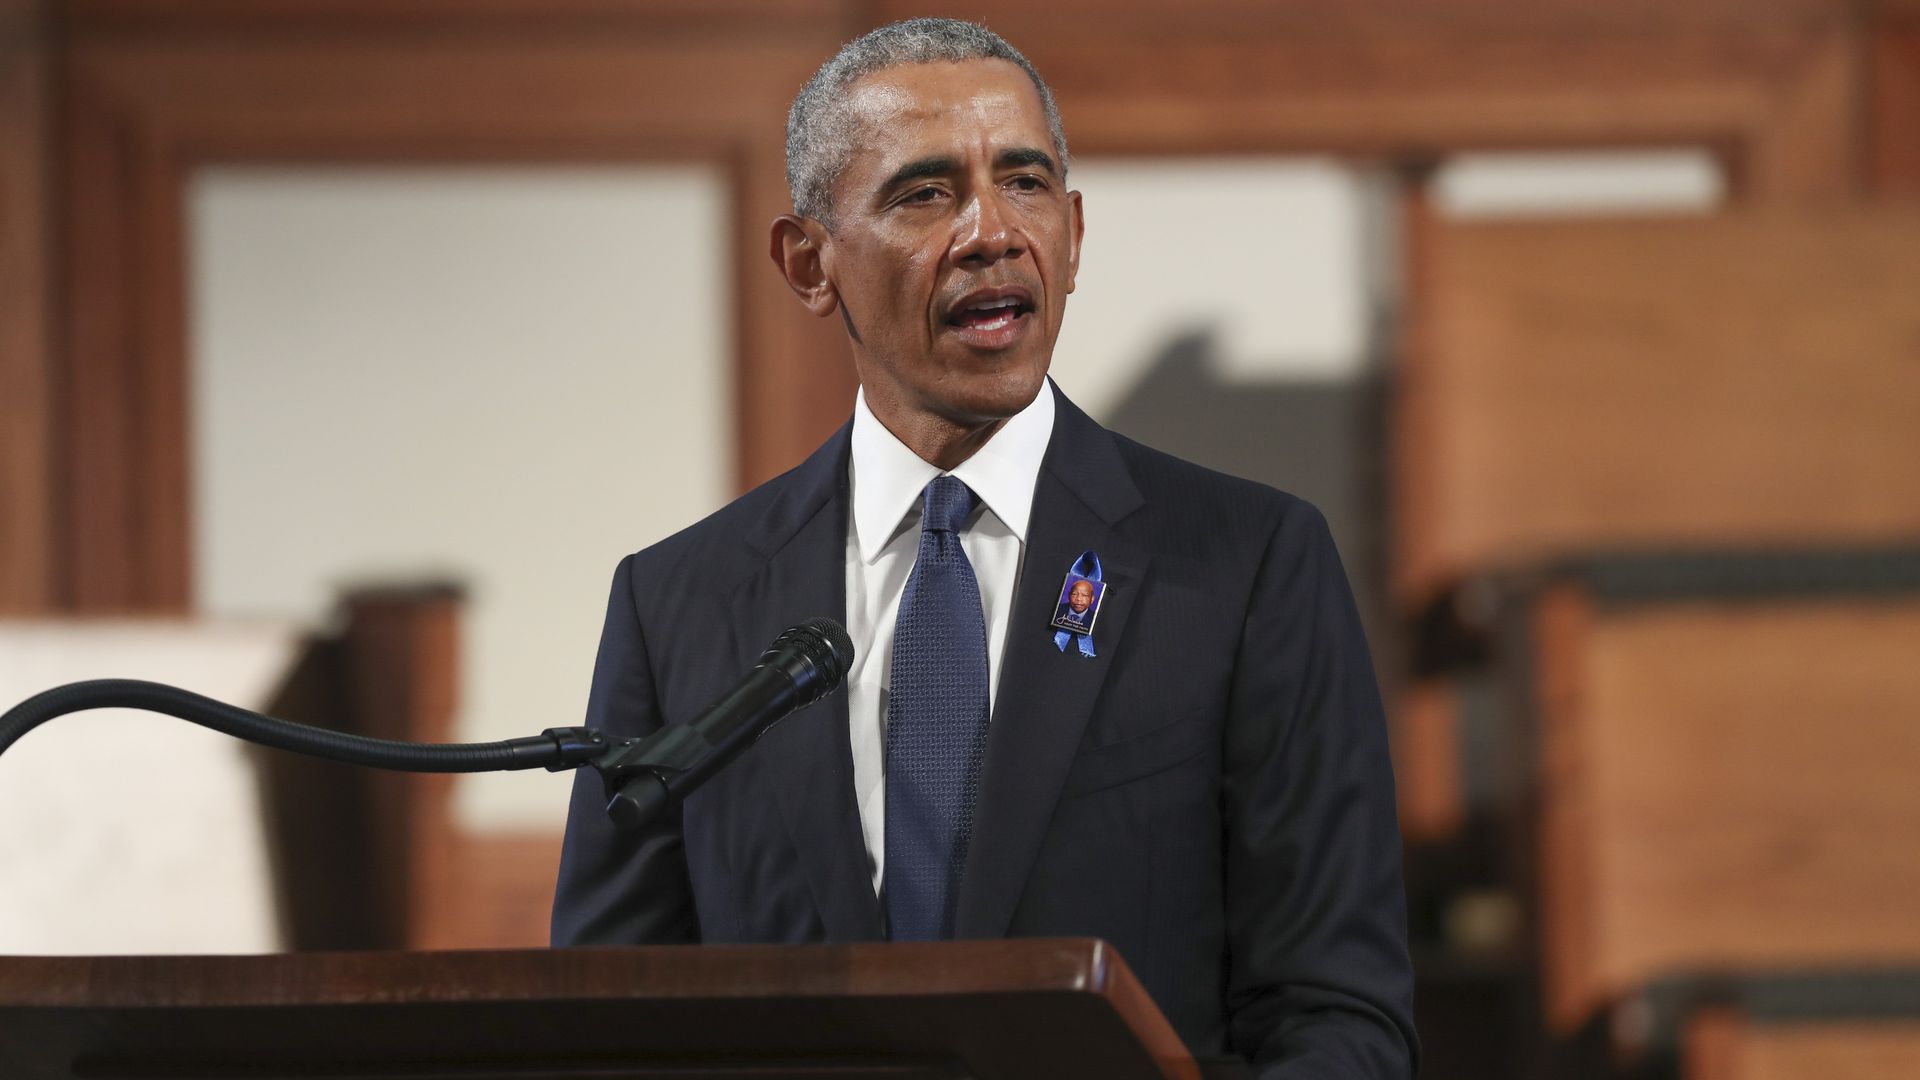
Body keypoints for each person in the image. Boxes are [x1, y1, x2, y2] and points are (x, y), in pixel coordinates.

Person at [552, 18, 1417, 1078]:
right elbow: (604, 1023)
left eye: (1025, 182)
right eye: (925, 194)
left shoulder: (1247, 566)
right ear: (810, 263)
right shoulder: (680, 601)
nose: (992, 232)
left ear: (1074, 234)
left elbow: (1338, 1017)